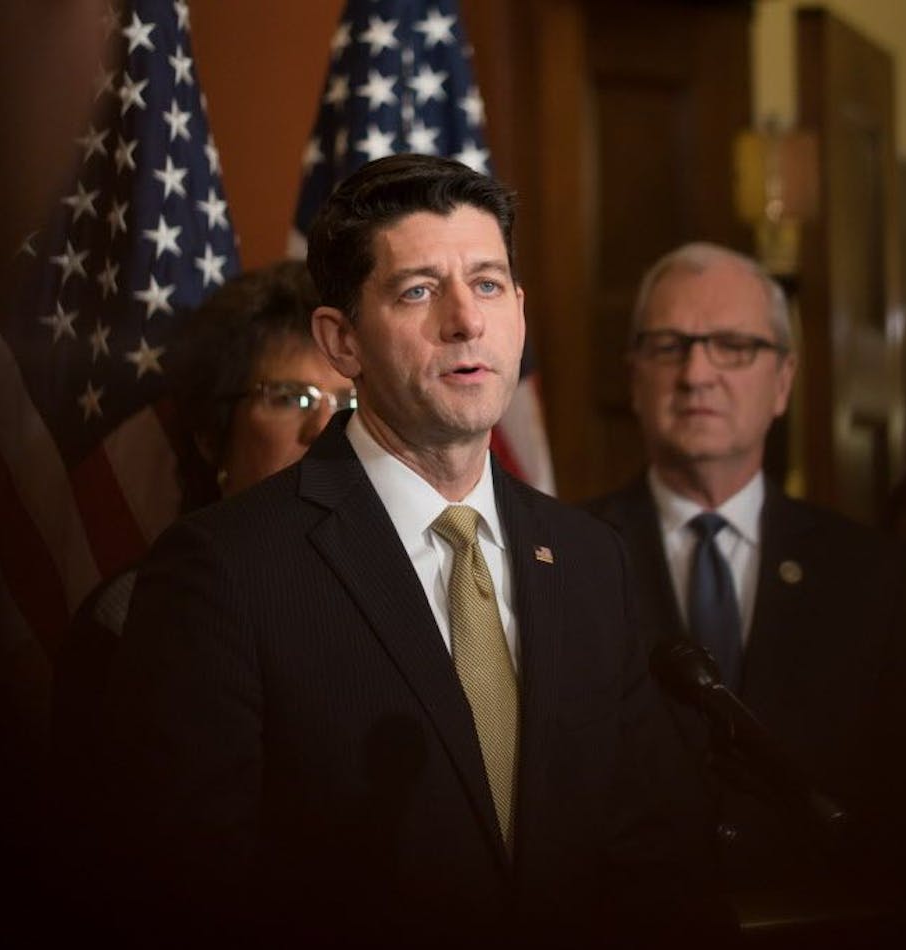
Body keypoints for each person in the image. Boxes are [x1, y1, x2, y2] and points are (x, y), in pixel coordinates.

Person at [100, 155, 726, 947]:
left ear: (521, 312)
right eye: (419, 290)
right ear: (342, 340)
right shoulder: (225, 569)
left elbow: (658, 862)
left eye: (489, 284)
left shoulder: (589, 557)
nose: (466, 321)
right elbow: (180, 896)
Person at [584, 242, 906, 932]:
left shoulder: (873, 575)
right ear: (634, 376)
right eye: (670, 346)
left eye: (732, 346)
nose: (697, 372)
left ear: (784, 381)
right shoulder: (564, 559)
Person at [50, 260, 354, 850]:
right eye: (291, 396)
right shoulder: (138, 612)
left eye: (348, 403)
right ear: (213, 436)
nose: (325, 428)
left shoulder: (412, 588)